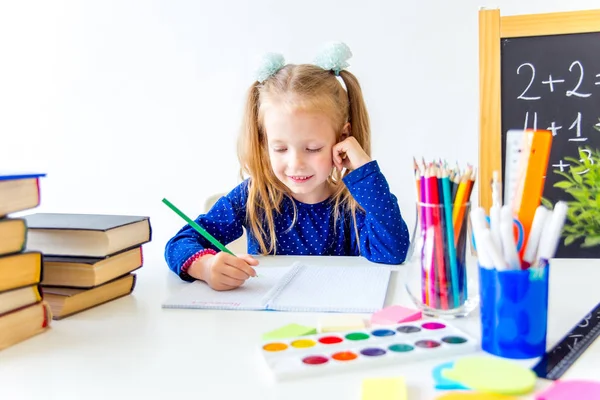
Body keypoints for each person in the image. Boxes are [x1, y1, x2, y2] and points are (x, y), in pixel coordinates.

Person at [165, 42, 410, 291]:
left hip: (335, 322)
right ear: (264, 142)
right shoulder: (253, 197)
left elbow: (393, 252)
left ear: (342, 139)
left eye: (313, 148)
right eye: (280, 149)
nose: (296, 164)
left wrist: (364, 171)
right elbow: (180, 243)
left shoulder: (353, 203)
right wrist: (206, 267)